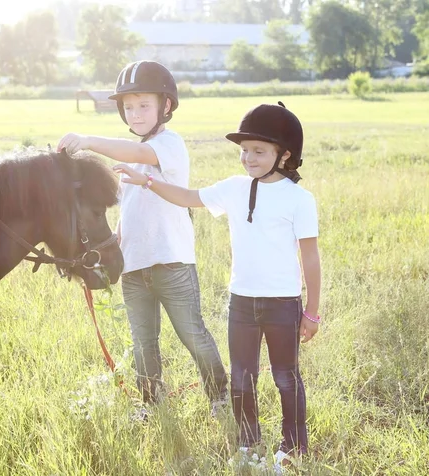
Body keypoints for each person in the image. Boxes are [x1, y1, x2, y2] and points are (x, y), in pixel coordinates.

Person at [113, 102, 321, 464]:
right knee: (241, 379)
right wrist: (147, 180)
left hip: (283, 304)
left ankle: (293, 448)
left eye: (259, 151)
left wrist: (313, 311)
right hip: (241, 303)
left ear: (284, 155)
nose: (248, 158)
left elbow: (311, 258)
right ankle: (248, 443)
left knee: (286, 378)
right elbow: (188, 198)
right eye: (244, 151)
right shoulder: (234, 188)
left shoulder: (300, 200)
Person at [57, 60, 228, 411]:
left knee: (192, 335)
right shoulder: (132, 158)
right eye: (128, 107)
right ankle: (151, 403)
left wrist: (87, 141)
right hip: (134, 265)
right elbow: (132, 207)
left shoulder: (168, 144)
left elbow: (136, 152)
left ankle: (220, 397)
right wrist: (116, 240)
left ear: (166, 106)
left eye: (143, 106)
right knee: (143, 342)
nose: (135, 114)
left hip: (172, 262)